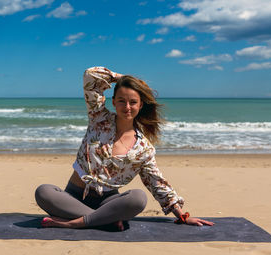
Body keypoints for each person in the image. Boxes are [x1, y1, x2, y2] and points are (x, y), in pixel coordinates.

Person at [35, 66, 214, 230]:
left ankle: (77, 223)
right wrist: (124, 78)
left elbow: (155, 182)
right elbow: (91, 76)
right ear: (113, 102)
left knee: (138, 198)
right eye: (121, 101)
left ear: (140, 105)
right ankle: (104, 221)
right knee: (43, 191)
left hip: (109, 203)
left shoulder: (144, 148)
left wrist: (182, 215)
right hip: (73, 198)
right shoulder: (99, 118)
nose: (127, 107)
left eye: (133, 102)